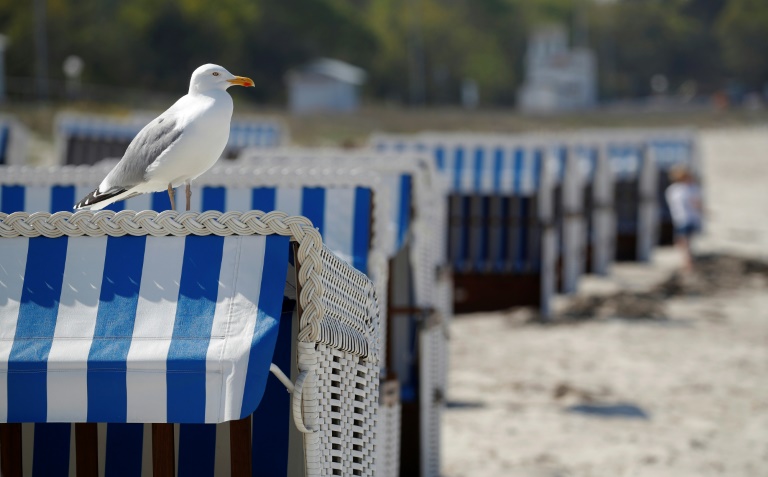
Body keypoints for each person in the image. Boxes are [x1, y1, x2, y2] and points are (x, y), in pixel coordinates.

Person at [665, 165, 702, 272]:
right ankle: (687, 262)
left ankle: (687, 262)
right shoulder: (687, 189)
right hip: (686, 218)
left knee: (683, 241)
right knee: (685, 241)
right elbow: (695, 203)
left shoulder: (674, 190)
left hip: (683, 218)